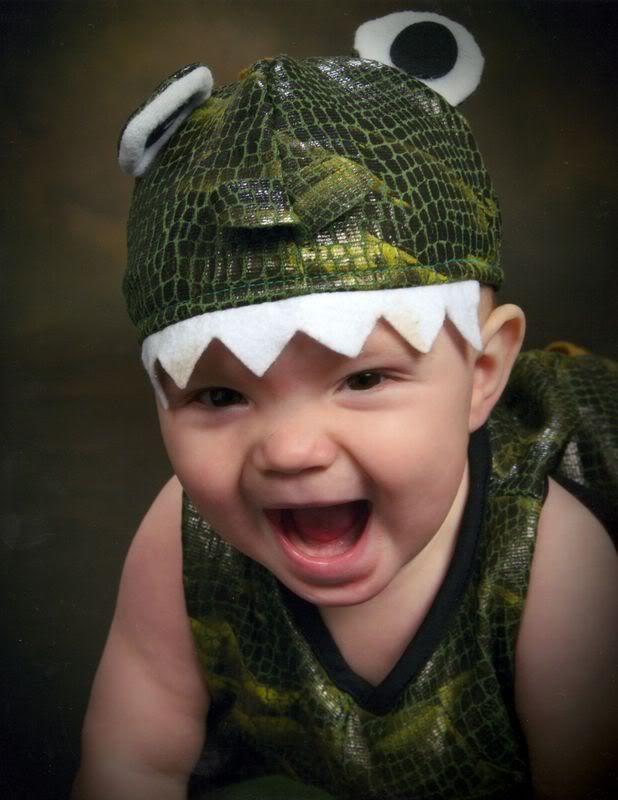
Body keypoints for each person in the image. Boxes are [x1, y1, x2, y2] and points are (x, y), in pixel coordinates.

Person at [72, 10, 618, 800]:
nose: (291, 450)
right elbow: (133, 761)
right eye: (220, 394)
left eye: (363, 380)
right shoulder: (182, 541)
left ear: (483, 373)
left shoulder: (547, 561)